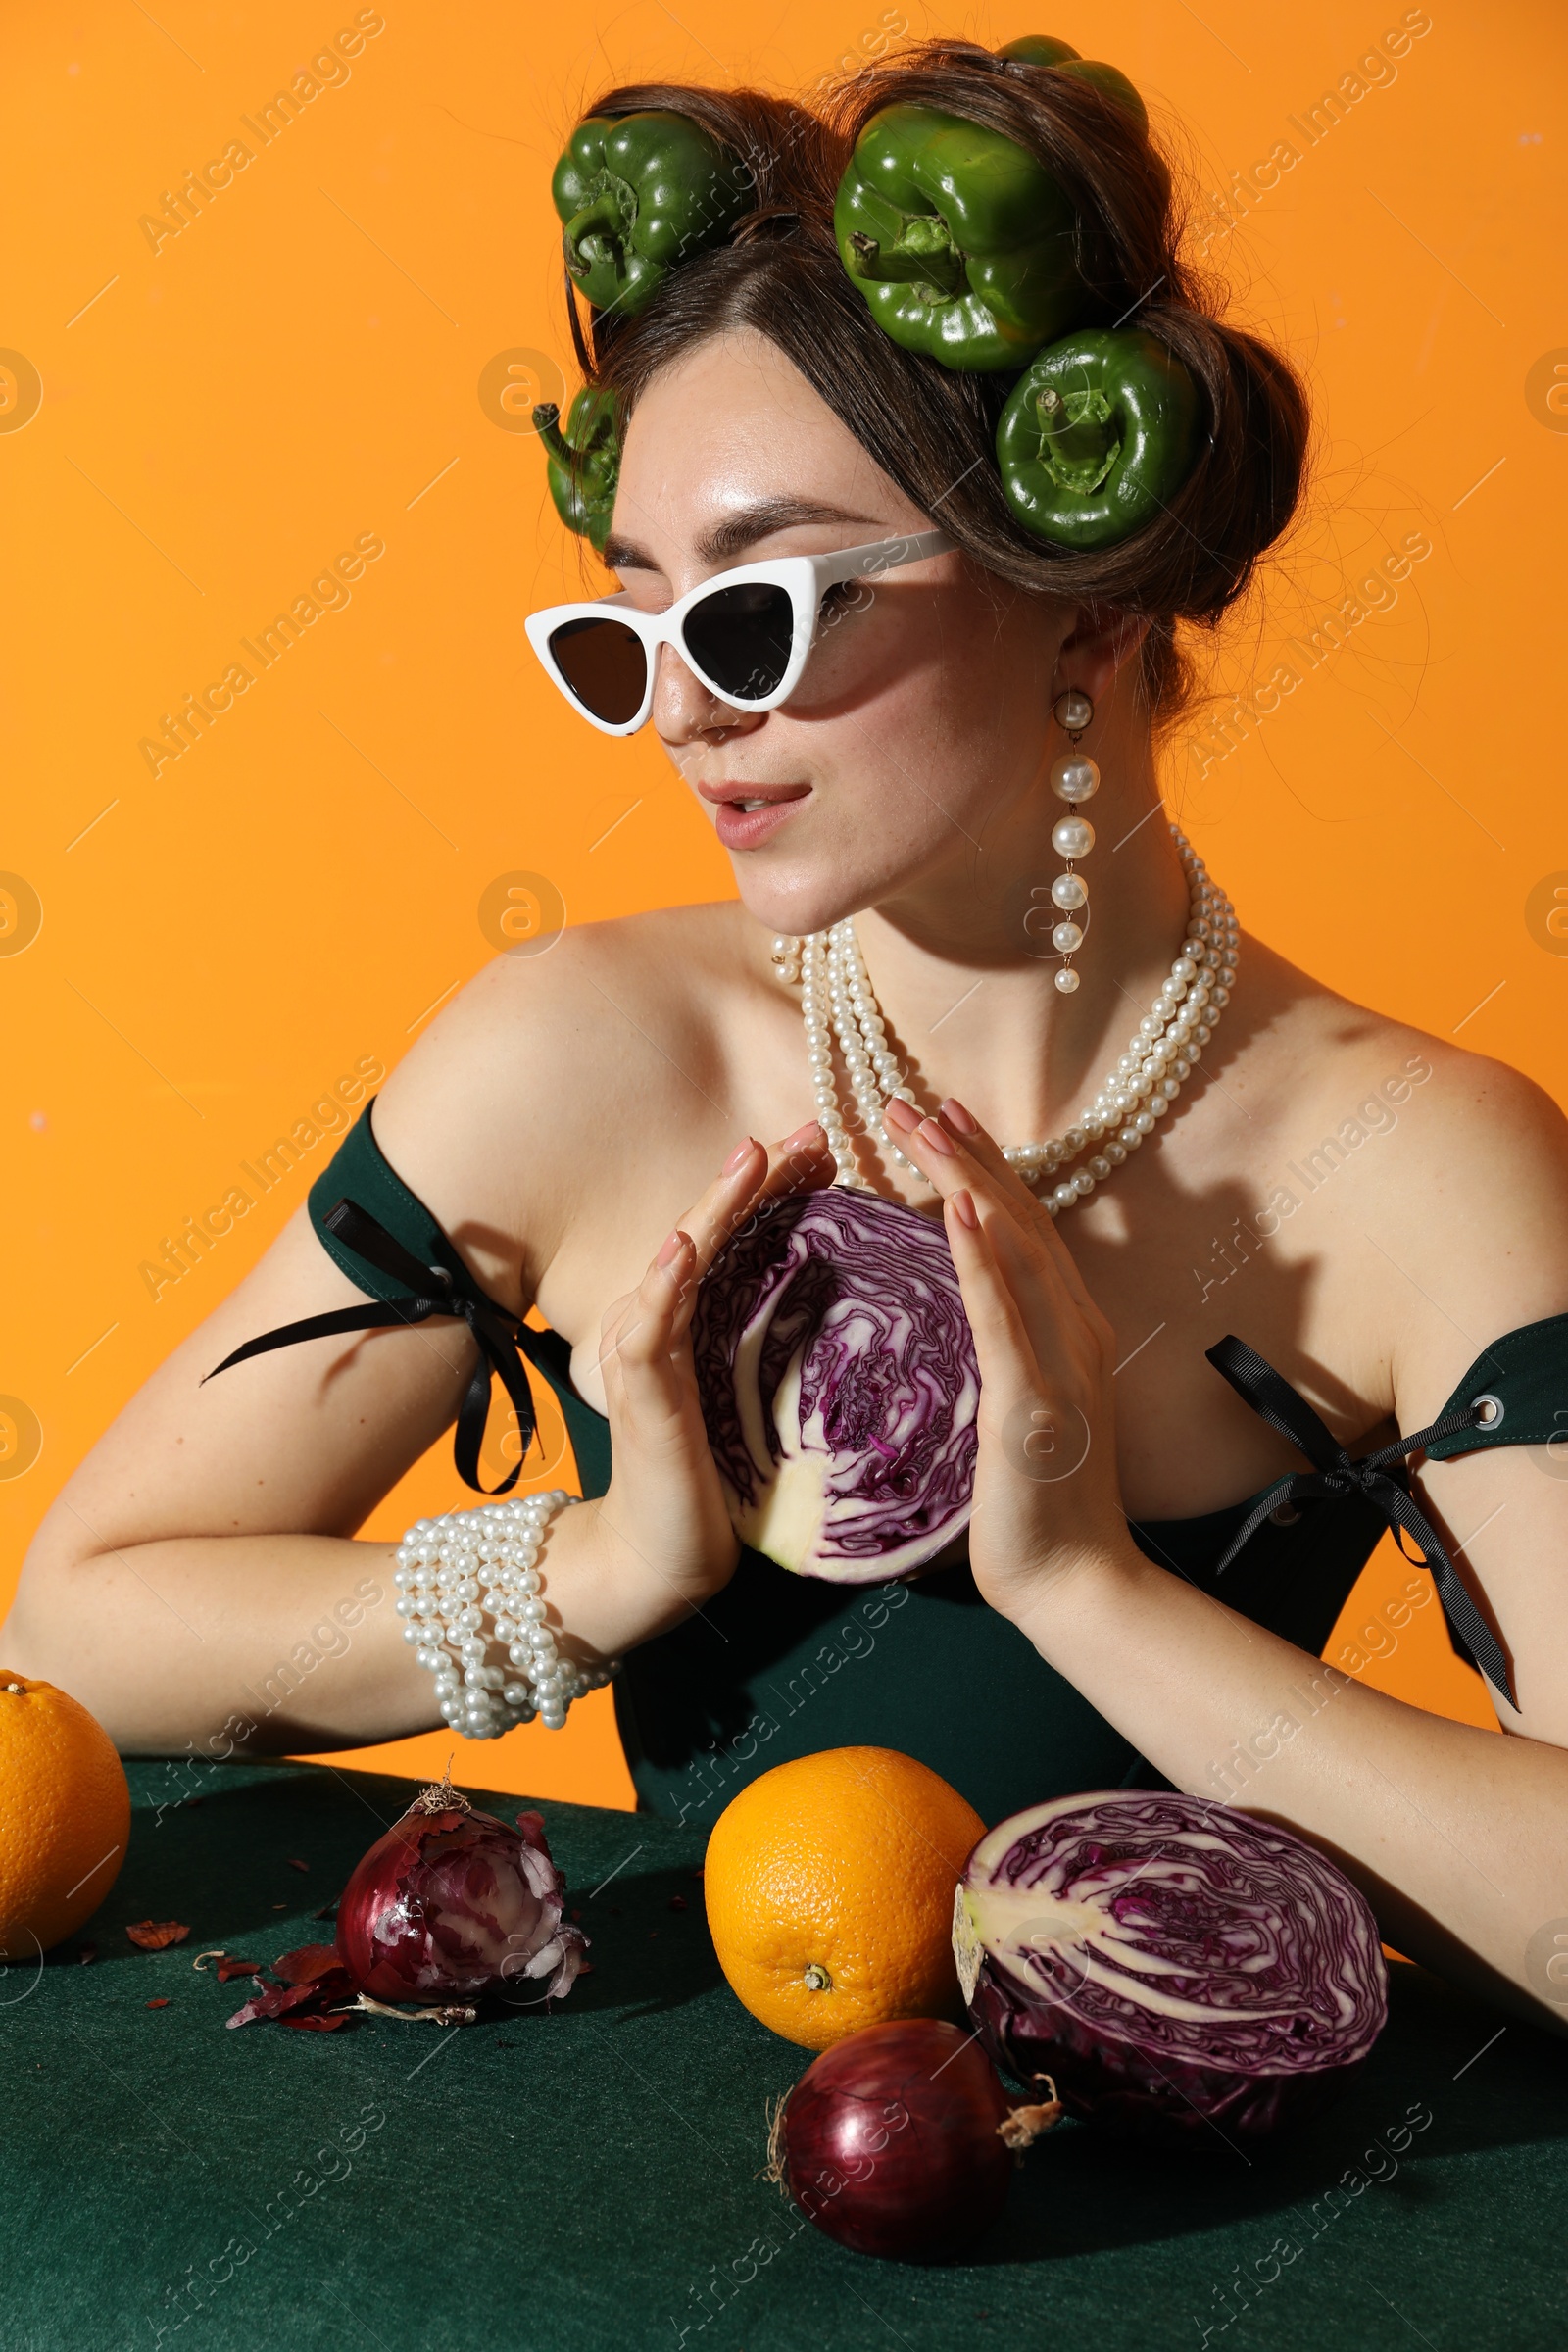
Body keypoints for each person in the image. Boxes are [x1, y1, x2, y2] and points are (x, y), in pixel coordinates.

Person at [7, 36, 1565, 2034]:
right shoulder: (584, 1059)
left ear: (1080, 607)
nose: (679, 711)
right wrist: (589, 1575)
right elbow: (82, 1622)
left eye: (755, 615)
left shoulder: (1423, 1171)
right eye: (626, 624)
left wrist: (1086, 1583)